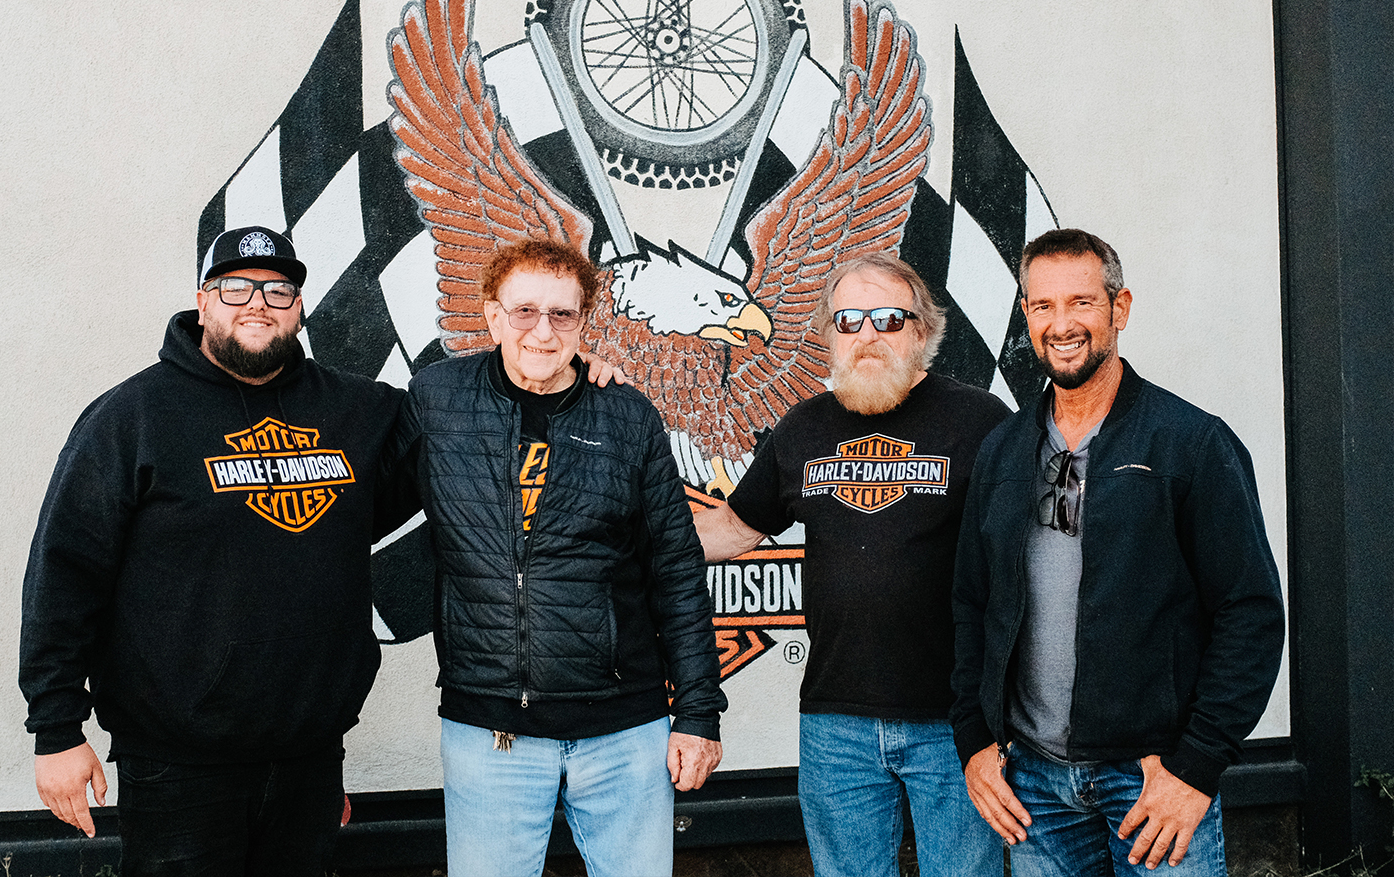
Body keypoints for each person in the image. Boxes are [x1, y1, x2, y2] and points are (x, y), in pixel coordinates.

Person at [19, 225, 423, 877]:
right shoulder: (132, 417)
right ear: (202, 301)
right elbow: (64, 575)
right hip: (176, 767)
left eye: (277, 289)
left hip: (309, 760)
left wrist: (570, 370)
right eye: (235, 287)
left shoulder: (357, 411)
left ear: (298, 307)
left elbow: (468, 421)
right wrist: (56, 729)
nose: (256, 302)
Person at [951, 228, 1285, 876]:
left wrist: (1196, 765)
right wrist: (975, 739)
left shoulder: (1190, 443)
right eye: (1043, 305)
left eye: (1080, 301)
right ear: (1026, 315)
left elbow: (1250, 612)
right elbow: (971, 602)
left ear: (1119, 308)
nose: (1062, 323)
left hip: (1152, 781)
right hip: (1036, 790)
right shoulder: (1002, 451)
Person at [407, 238, 727, 877]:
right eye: (524, 311)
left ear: (586, 322)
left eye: (563, 315)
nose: (543, 331)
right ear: (493, 316)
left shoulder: (627, 414)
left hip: (624, 731)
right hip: (490, 728)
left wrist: (697, 711)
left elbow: (677, 571)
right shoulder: (436, 401)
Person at [693, 252, 1011, 877]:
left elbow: (1024, 563)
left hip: (956, 722)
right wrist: (618, 541)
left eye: (888, 318)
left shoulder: (981, 422)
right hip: (836, 722)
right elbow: (733, 527)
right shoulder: (802, 429)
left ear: (923, 331)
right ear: (828, 335)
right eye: (849, 320)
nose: (867, 335)